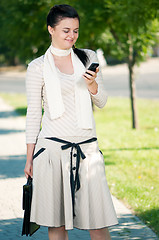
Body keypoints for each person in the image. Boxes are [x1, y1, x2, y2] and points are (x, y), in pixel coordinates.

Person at [24, 4, 118, 240]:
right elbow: (34, 113)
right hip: (51, 153)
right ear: (51, 29)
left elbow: (102, 101)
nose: (71, 36)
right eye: (66, 30)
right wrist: (29, 159)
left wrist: (91, 85)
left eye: (75, 30)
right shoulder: (37, 67)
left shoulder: (89, 57)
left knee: (98, 224)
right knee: (56, 226)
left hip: (88, 150)